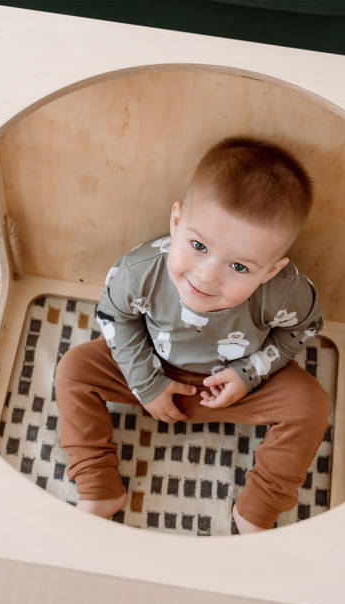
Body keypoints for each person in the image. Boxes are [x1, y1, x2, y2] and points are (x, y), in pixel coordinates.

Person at [55, 136, 330, 534]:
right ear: (176, 223)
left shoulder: (284, 290)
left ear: (271, 270)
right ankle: (98, 487)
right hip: (152, 366)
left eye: (239, 267)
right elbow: (115, 317)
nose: (207, 276)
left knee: (312, 404)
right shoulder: (140, 271)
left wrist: (249, 373)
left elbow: (305, 328)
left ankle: (258, 510)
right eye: (198, 245)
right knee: (74, 369)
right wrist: (146, 383)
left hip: (233, 384)